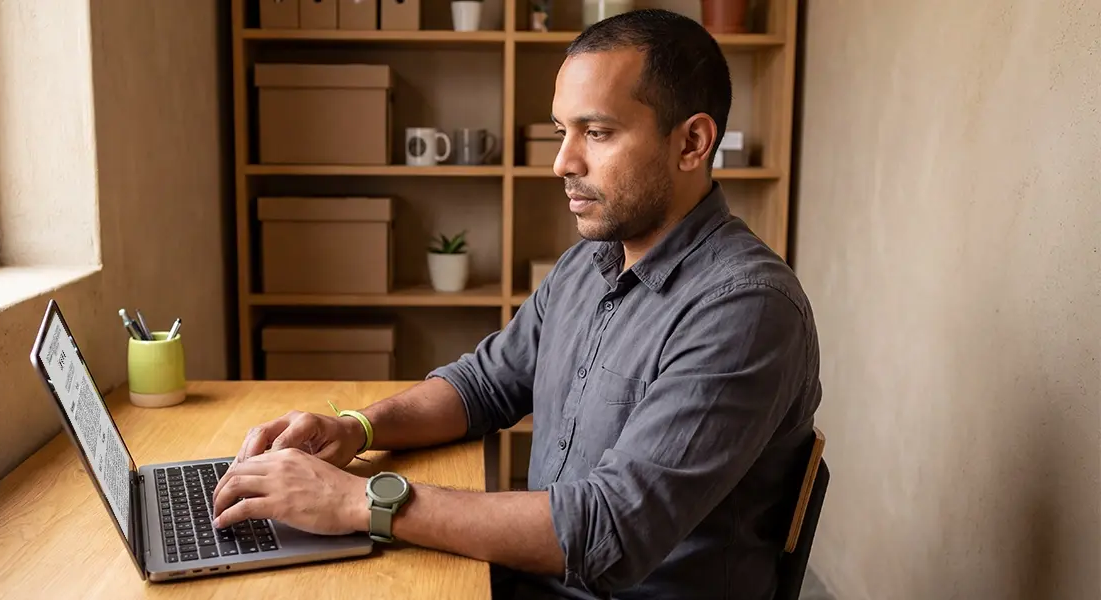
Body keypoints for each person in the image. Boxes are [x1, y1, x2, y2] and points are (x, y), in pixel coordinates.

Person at [210, 8, 822, 599]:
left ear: (692, 142)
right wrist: (355, 428)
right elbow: (483, 385)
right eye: (562, 132)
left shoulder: (745, 309)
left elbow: (608, 534)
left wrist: (355, 501)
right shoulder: (591, 262)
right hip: (532, 576)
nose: (562, 162)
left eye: (597, 132)